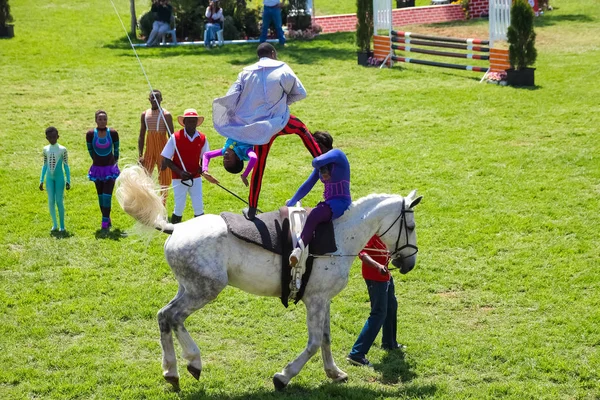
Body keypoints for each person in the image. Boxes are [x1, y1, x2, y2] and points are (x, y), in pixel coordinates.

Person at [212, 43, 321, 220]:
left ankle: (252, 209)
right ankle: (321, 162)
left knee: (259, 167)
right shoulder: (283, 68)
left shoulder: (245, 73)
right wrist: (283, 103)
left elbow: (231, 95)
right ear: (273, 53)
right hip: (279, 121)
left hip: (258, 130)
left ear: (258, 56)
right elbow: (300, 93)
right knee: (301, 129)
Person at [287, 131, 351, 267]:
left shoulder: (337, 154)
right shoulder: (322, 167)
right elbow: (308, 184)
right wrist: (292, 200)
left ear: (320, 146)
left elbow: (316, 161)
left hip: (340, 202)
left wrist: (315, 154)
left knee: (315, 214)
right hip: (329, 203)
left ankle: (298, 249)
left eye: (313, 147)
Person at [346, 235, 403, 367]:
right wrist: (378, 266)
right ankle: (356, 354)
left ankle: (389, 343)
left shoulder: (387, 230)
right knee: (379, 313)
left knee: (391, 306)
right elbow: (362, 253)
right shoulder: (372, 231)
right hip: (375, 277)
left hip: (385, 275)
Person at [161, 108, 209, 223]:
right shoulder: (175, 137)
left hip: (195, 177)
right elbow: (166, 159)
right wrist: (180, 172)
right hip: (179, 178)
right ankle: (174, 232)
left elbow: (205, 156)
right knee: (179, 206)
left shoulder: (202, 138)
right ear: (184, 122)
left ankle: (200, 233)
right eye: (189, 121)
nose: (192, 124)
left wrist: (202, 168)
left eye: (194, 121)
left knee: (199, 206)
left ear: (197, 122)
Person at [138, 90, 174, 204]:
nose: (154, 100)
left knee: (164, 178)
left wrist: (169, 156)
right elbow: (142, 134)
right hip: (149, 149)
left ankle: (162, 204)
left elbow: (172, 136)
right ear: (149, 99)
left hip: (162, 150)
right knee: (145, 175)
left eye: (157, 97)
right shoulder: (145, 114)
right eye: (152, 98)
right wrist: (140, 154)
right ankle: (147, 203)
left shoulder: (166, 115)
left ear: (161, 99)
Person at [87, 110, 120, 230]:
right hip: (97, 170)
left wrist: (113, 165)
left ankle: (104, 224)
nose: (102, 121)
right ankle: (107, 217)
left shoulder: (113, 133)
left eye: (104, 119)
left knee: (107, 196)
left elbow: (116, 151)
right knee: (100, 196)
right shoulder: (90, 134)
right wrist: (97, 162)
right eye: (100, 119)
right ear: (96, 120)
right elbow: (90, 151)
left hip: (110, 170)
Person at [40, 126, 71, 232]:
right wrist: (41, 180)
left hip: (59, 178)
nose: (52, 139)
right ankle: (54, 224)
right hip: (49, 178)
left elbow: (66, 165)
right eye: (50, 138)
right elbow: (44, 165)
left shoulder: (63, 149)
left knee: (59, 201)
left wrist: (68, 180)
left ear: (58, 137)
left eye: (54, 137)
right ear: (46, 138)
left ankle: (62, 226)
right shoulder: (45, 149)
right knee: (51, 201)